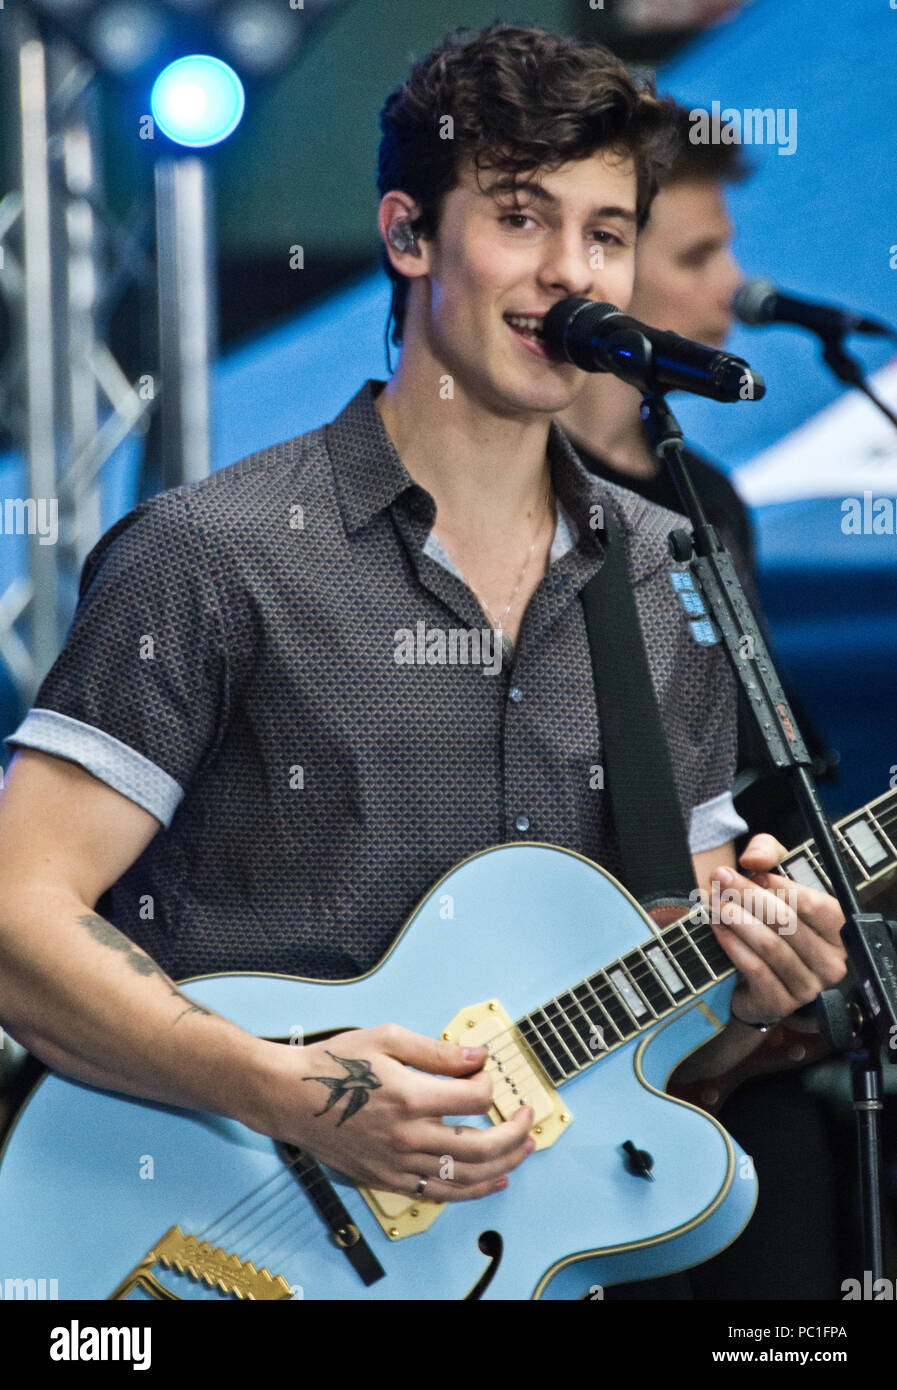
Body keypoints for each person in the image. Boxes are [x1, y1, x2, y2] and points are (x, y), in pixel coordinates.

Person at [0, 22, 847, 1294]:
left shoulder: (671, 570)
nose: (572, 274)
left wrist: (758, 990)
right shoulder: (214, 553)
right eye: (522, 217)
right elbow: (18, 918)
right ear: (407, 235)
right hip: (210, 1240)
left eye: (606, 234)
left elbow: (676, 1038)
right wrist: (294, 1092)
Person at [555, 102, 846, 1299]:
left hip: (717, 1045)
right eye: (695, 255)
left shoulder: (700, 498)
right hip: (556, 1060)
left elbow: (758, 777)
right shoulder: (508, 510)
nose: (736, 284)